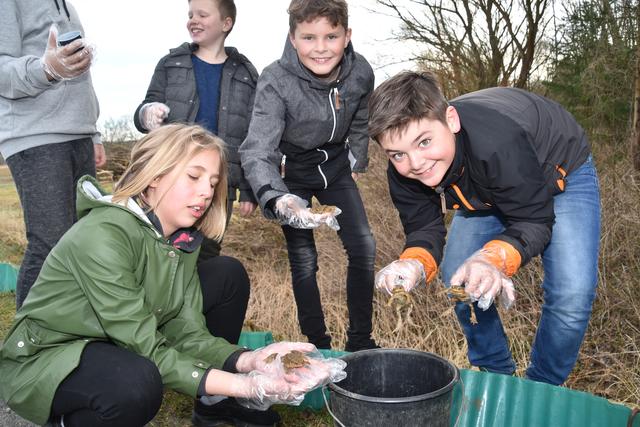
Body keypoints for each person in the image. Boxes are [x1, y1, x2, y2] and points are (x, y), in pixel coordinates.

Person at [0, 124, 335, 427]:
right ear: (155, 176)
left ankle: (211, 404)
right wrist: (243, 385)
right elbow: (147, 347)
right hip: (47, 357)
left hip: (111, 342)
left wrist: (248, 360)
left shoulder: (180, 241)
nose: (206, 192)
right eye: (193, 177)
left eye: (213, 182)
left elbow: (187, 332)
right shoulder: (103, 235)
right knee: (136, 383)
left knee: (226, 272)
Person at [369, 71, 601, 386]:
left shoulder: (498, 143)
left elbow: (533, 220)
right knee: (459, 279)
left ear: (451, 120)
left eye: (424, 141)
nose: (416, 163)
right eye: (398, 154)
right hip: (484, 189)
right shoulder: (404, 171)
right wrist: (414, 262)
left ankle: (541, 387)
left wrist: (491, 259)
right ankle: (496, 376)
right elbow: (423, 227)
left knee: (571, 293)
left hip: (555, 172)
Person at [239, 0, 378, 352]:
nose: (320, 48)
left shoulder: (361, 71)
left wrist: (356, 160)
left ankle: (361, 342)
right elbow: (257, 149)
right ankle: (317, 344)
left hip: (335, 168)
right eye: (309, 37)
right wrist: (276, 195)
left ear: (347, 36)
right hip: (292, 173)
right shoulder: (275, 79)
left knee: (363, 247)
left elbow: (360, 118)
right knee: (304, 259)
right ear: (293, 38)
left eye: (331, 36)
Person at [0, 0, 106, 308]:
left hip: (79, 132)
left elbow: (80, 75)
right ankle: (25, 349)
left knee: (81, 243)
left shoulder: (66, 5)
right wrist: (47, 69)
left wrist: (93, 130)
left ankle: (62, 335)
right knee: (51, 243)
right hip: (35, 135)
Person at [134, 0, 258, 261]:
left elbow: (252, 136)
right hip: (171, 175)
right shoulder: (171, 63)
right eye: (191, 14)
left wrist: (248, 189)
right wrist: (148, 114)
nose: (194, 20)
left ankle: (197, 301)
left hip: (217, 184)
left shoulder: (246, 74)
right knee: (157, 248)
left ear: (226, 23)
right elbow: (146, 108)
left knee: (207, 253)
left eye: (203, 14)